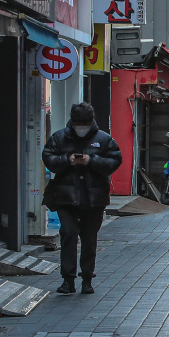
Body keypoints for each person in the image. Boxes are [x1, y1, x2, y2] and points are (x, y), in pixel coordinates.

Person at [43, 103, 122, 296]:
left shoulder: (103, 139)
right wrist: (67, 161)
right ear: (73, 121)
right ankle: (67, 280)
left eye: (84, 123)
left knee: (89, 240)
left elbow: (115, 161)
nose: (81, 127)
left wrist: (91, 161)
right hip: (65, 197)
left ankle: (87, 278)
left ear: (91, 122)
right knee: (68, 234)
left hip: (93, 198)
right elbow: (48, 158)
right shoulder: (60, 137)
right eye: (78, 123)